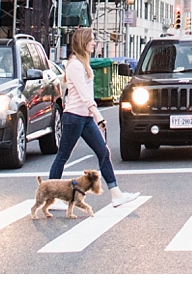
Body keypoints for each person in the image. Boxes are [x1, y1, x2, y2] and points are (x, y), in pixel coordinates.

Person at [44, 27, 138, 208]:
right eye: (92, 39)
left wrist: (92, 115)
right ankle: (52, 198)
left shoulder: (83, 63)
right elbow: (84, 94)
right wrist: (98, 114)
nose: (95, 42)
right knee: (63, 156)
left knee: (103, 152)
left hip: (85, 118)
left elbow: (87, 95)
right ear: (83, 42)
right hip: (73, 117)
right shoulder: (75, 65)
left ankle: (116, 194)